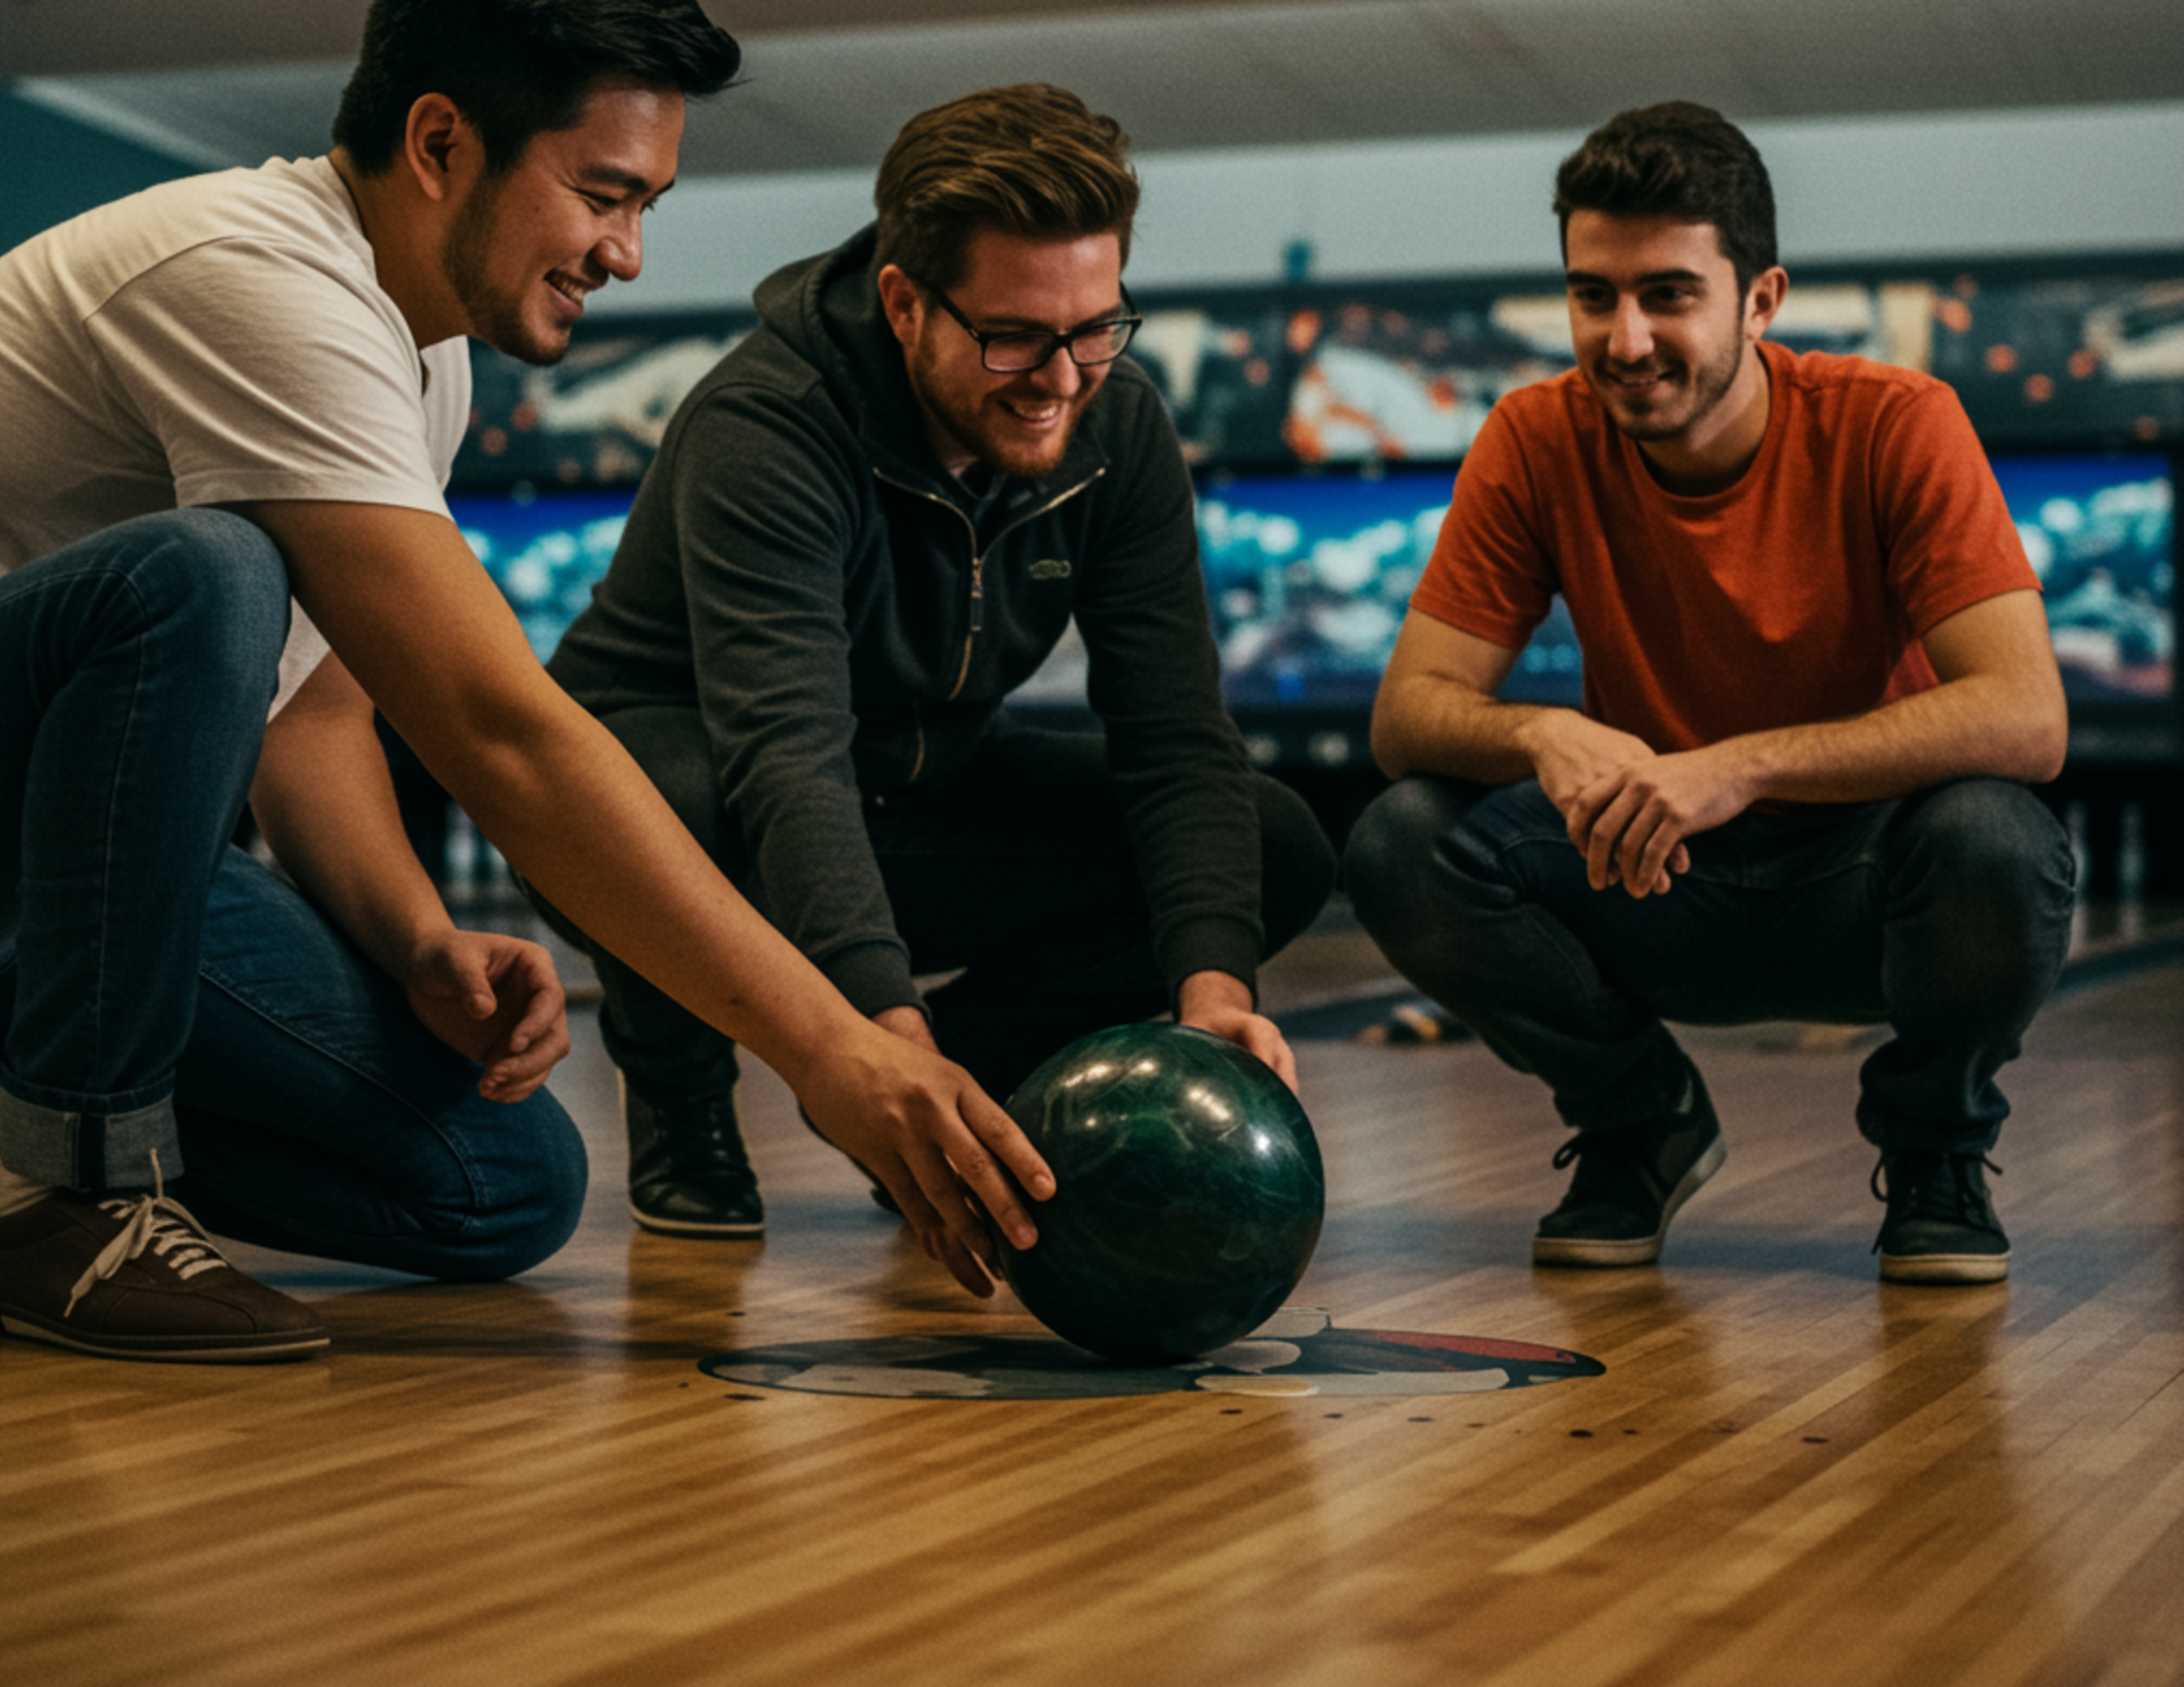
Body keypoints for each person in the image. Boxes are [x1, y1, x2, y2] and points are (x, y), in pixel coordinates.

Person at [0, 0, 1052, 1365]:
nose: (624, 254)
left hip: (64, 870)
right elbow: (499, 734)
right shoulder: (247, 275)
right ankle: (65, 1191)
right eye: (604, 194)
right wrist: (831, 1049)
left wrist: (418, 940)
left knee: (504, 1186)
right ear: (439, 144)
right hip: (0, 823)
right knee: (204, 576)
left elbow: (318, 716)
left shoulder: (420, 360)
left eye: (646, 208)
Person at [533, 82, 1337, 1237]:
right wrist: (874, 1034)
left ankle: (961, 1101)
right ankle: (676, 1091)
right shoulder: (768, 428)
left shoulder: (1118, 429)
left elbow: (1174, 733)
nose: (1062, 379)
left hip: (915, 784)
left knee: (1275, 848)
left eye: (1095, 328)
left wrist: (1213, 992)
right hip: (673, 806)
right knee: (681, 790)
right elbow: (786, 754)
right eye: (1015, 337)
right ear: (907, 305)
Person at [1343, 101, 2074, 1287]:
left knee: (2000, 838)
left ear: (1762, 299)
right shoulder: (1535, 438)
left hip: (1862, 892)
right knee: (1399, 840)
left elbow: (2025, 716)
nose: (1624, 338)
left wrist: (1735, 766)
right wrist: (1546, 730)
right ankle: (1641, 1125)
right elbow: (1407, 715)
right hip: (1650, 877)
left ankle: (1937, 1150)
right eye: (1594, 295)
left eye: (1668, 294)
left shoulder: (1897, 424)